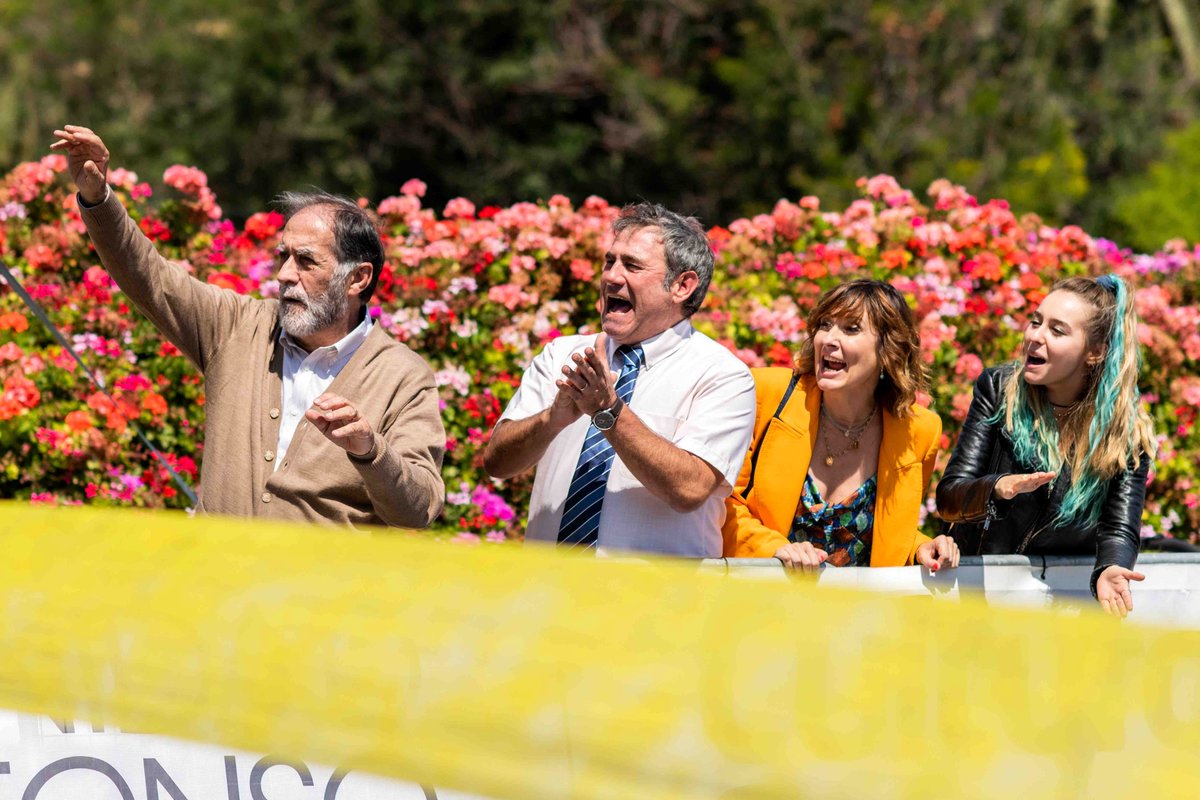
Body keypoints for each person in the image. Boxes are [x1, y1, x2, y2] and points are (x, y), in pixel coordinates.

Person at [51, 125, 445, 527]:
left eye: (306, 261)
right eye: (283, 256)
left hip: (325, 589)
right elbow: (150, 278)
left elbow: (419, 509)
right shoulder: (236, 326)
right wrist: (97, 198)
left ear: (358, 279)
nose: (286, 274)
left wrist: (369, 450)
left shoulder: (403, 376)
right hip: (215, 581)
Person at [483, 202, 756, 556]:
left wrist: (609, 412)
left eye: (632, 265)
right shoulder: (561, 355)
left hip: (652, 604)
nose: (611, 276)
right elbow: (498, 463)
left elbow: (689, 489)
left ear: (682, 285)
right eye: (609, 261)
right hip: (547, 595)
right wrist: (552, 419)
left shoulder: (723, 375)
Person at [936, 275, 1157, 617]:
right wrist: (995, 489)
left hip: (1057, 608)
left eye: (1057, 330)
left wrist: (1111, 567)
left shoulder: (1125, 429)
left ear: (1095, 352)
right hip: (977, 595)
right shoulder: (998, 390)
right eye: (1036, 322)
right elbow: (949, 498)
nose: (1035, 336)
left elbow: (1118, 527)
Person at [723, 279, 960, 571]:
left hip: (854, 613)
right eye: (825, 324)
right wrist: (775, 549)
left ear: (888, 349)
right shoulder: (767, 394)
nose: (829, 339)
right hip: (755, 605)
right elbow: (721, 503)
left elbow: (892, 530)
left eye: (851, 329)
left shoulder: (920, 431)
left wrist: (921, 548)